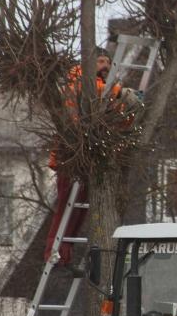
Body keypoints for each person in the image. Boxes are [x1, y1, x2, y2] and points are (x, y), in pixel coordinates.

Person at [44, 49, 124, 265]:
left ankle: (64, 253)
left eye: (107, 61)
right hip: (70, 154)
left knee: (79, 208)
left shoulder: (106, 86)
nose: (105, 65)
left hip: (88, 153)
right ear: (89, 63)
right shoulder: (78, 80)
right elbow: (91, 97)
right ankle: (53, 252)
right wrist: (117, 93)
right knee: (65, 206)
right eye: (100, 61)